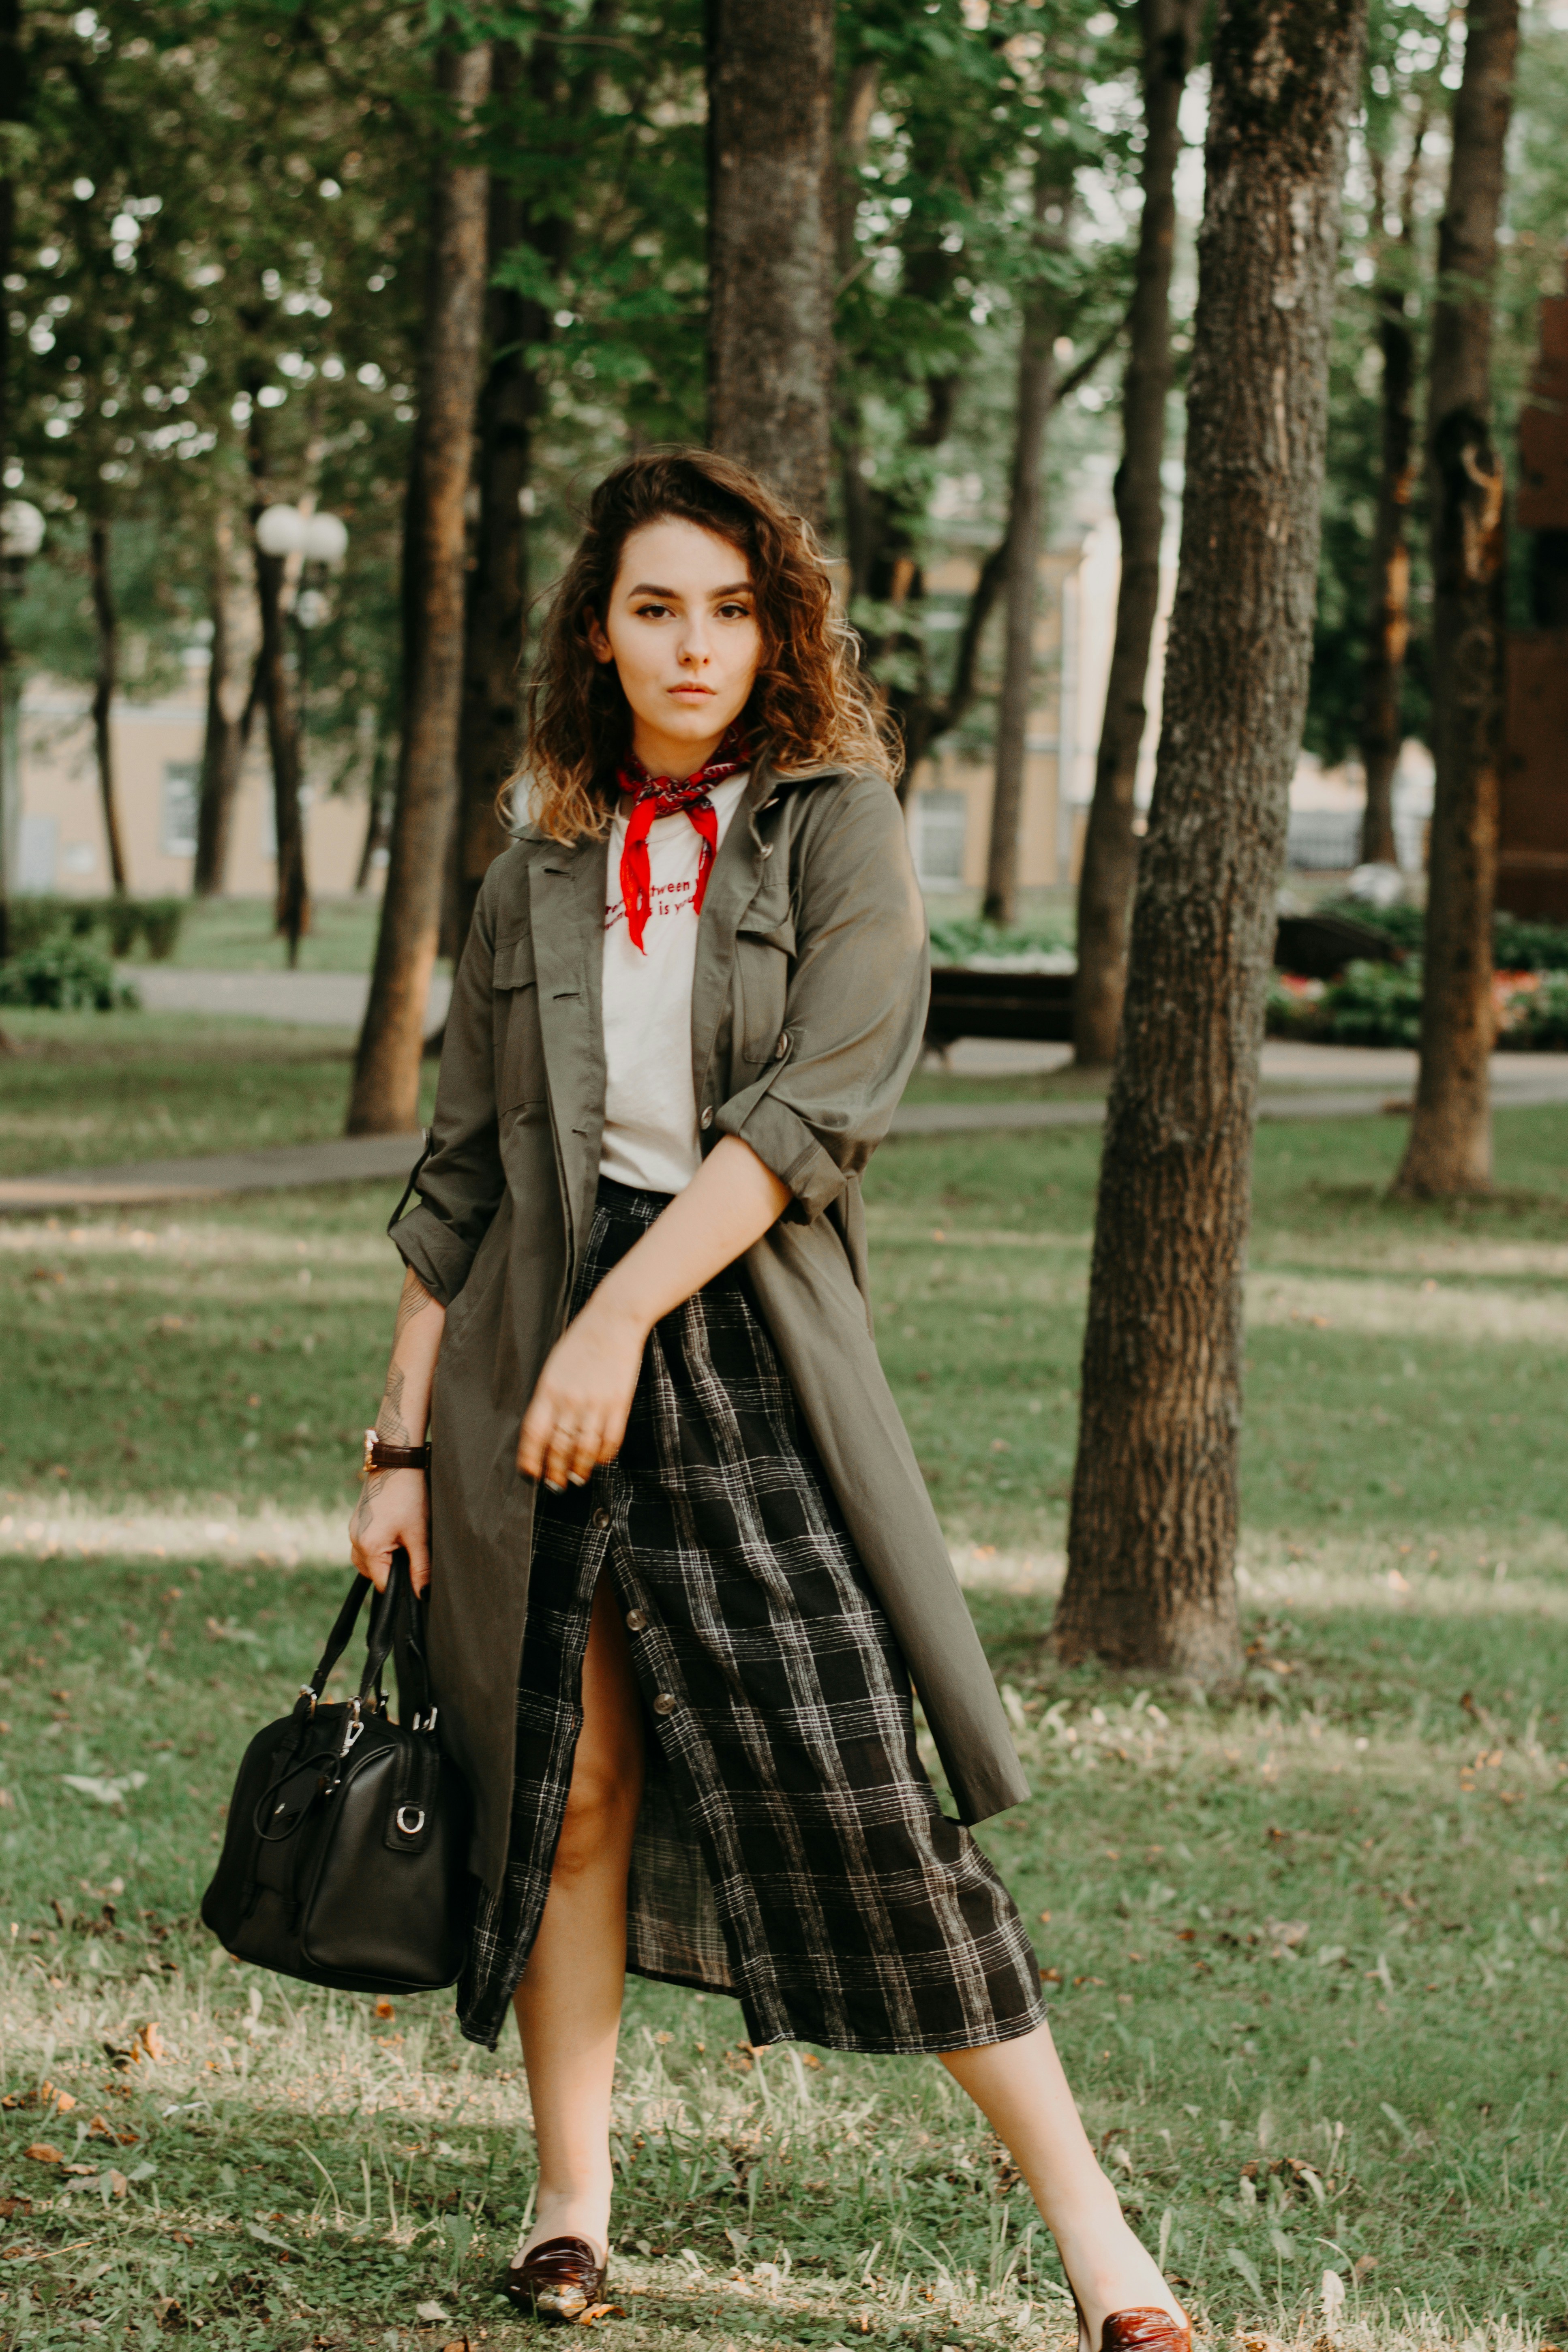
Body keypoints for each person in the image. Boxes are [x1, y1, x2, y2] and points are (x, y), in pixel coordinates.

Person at [349, 450, 1190, 2351]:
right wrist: (398, 1439)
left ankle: (1101, 2248)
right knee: (566, 1787)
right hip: (520, 1358)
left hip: (728, 1335)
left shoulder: (835, 823)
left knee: (862, 1787)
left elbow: (821, 1105)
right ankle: (570, 2204)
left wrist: (618, 1322)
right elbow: (459, 1175)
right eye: (655, 607)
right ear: (597, 631)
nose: (694, 644)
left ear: (775, 628)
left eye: (729, 610)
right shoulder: (534, 867)